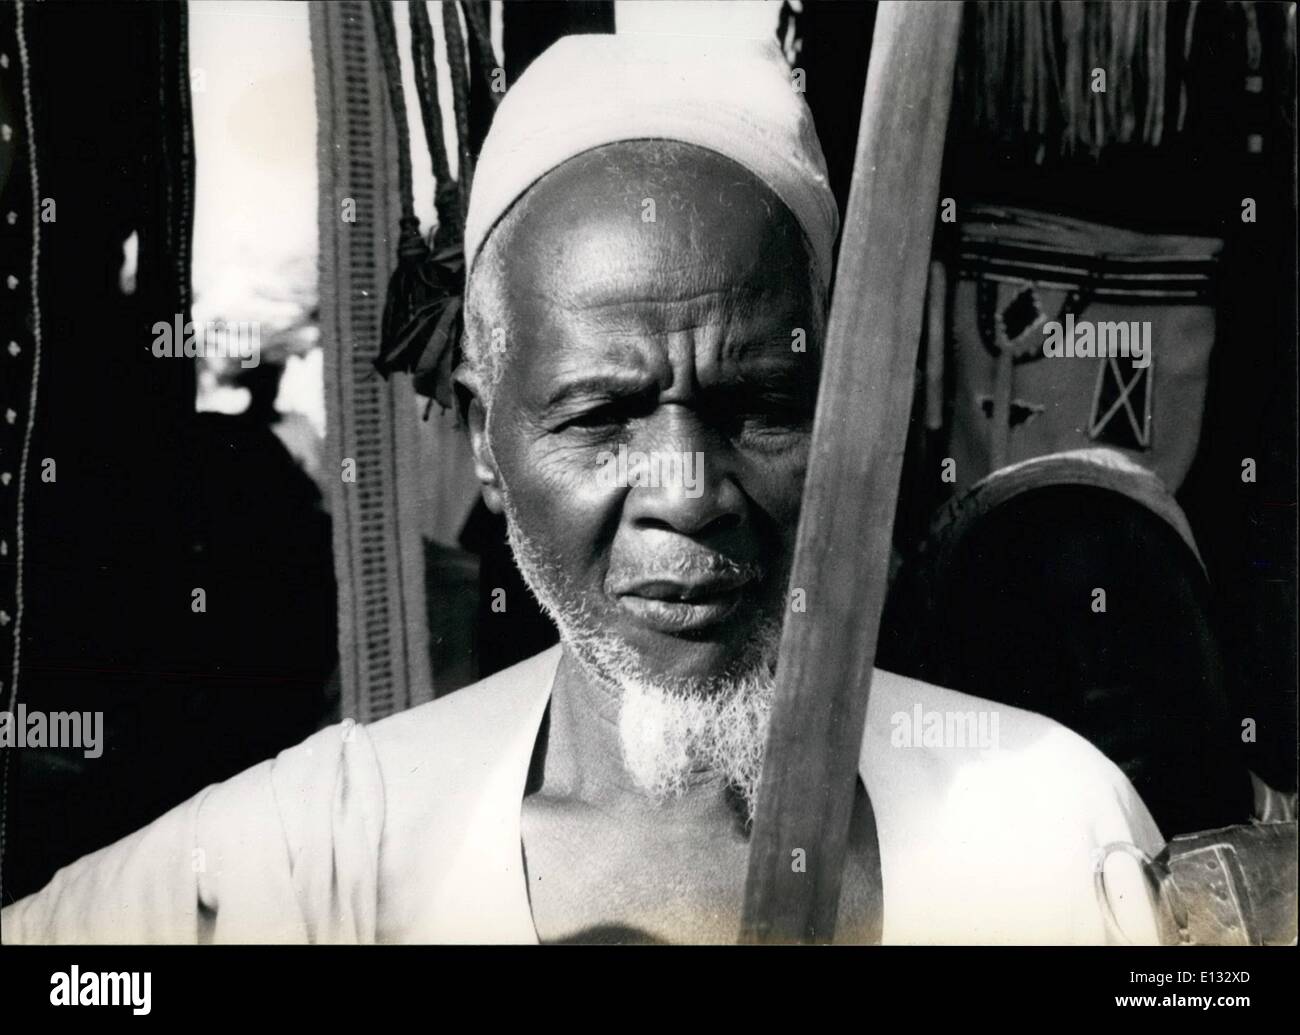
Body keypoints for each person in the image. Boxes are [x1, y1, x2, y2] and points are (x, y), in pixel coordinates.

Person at [1, 33, 1162, 946]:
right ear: (487, 446)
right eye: (600, 417)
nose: (687, 492)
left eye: (757, 404)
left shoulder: (1045, 826)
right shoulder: (328, 862)